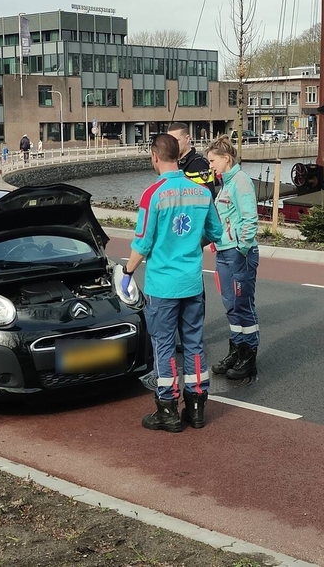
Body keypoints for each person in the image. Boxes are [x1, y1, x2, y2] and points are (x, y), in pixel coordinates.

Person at [125, 134, 222, 432]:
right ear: (177, 156)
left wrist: (127, 272)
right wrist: (192, 245)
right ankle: (196, 408)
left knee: (164, 346)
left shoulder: (152, 195)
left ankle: (167, 409)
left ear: (155, 156)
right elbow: (215, 232)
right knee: (194, 344)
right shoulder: (201, 192)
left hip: (162, 286)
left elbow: (143, 243)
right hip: (192, 283)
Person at [206, 136, 260, 380]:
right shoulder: (225, 183)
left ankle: (249, 355)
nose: (210, 166)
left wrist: (241, 248)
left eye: (212, 160)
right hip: (224, 252)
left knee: (243, 306)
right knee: (230, 306)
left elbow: (250, 219)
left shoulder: (240, 182)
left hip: (239, 253)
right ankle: (236, 350)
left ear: (226, 158)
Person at [166, 122, 216, 196]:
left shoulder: (198, 165)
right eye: (169, 142)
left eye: (176, 141)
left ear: (187, 139)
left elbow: (208, 196)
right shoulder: (174, 164)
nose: (172, 145)